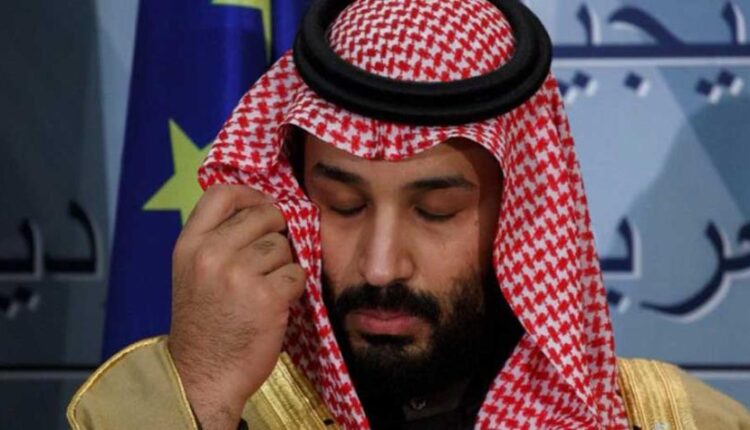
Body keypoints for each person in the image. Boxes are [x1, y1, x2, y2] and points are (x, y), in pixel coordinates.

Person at [67, 0, 750, 429]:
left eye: (436, 211)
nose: (380, 265)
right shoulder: (186, 403)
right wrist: (201, 396)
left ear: (521, 220)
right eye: (343, 205)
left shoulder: (675, 420)